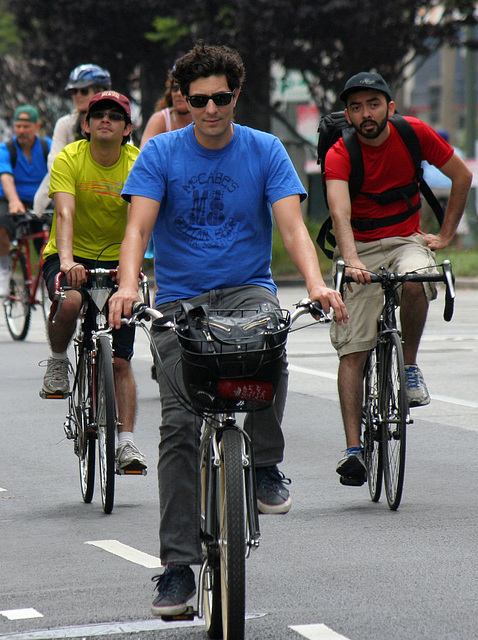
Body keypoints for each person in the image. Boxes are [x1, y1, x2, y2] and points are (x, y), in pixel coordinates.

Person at [108, 42, 347, 616]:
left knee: (271, 339)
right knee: (178, 425)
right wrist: (127, 285)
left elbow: (292, 228)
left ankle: (264, 461)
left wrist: (315, 283)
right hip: (182, 298)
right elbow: (138, 230)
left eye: (220, 98)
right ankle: (176, 568)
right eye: (197, 101)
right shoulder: (162, 152)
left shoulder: (265, 150)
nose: (209, 110)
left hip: (247, 288)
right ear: (183, 102)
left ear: (235, 96)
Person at [324, 72, 472, 487]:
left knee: (415, 278)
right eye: (356, 107)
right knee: (352, 350)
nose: (365, 114)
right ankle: (353, 450)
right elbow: (340, 214)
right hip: (360, 248)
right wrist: (351, 261)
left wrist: (443, 235)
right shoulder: (341, 152)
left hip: (407, 239)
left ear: (390, 108)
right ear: (349, 115)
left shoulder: (414, 134)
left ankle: (408, 368)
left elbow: (461, 176)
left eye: (373, 104)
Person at [40, 90, 146, 473]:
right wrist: (68, 262)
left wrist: (133, 271)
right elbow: (64, 213)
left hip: (122, 261)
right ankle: (56, 361)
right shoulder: (71, 158)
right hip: (70, 255)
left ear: (127, 128)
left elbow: (142, 220)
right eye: (97, 114)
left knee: (119, 360)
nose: (106, 120)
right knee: (69, 302)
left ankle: (127, 445)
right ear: (85, 124)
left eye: (115, 117)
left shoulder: (139, 162)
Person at [33, 64, 112, 215]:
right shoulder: (65, 124)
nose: (77, 95)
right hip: (67, 188)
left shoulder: (116, 123)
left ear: (101, 92)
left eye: (84, 90)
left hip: (106, 190)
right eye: (74, 91)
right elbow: (54, 163)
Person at [0, 105, 51, 296]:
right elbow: (5, 176)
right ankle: (4, 269)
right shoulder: (6, 149)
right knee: (1, 222)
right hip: (8, 196)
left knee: (56, 226)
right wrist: (14, 201)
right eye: (18, 126)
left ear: (37, 126)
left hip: (40, 198)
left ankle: (50, 274)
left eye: (26, 126)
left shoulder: (47, 146)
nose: (21, 131)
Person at [140, 74, 192, 148]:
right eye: (175, 88)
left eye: (184, 89)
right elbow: (145, 154)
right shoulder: (160, 119)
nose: (179, 93)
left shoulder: (206, 115)